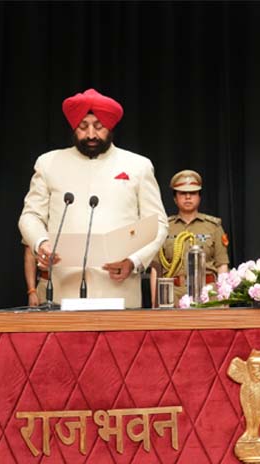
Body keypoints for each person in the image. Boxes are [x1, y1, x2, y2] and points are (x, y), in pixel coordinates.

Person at [18, 88, 168, 308]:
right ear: (74, 127)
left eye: (99, 127)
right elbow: (30, 216)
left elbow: (158, 224)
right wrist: (41, 243)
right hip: (61, 291)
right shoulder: (49, 163)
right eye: (83, 126)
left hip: (119, 291)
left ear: (110, 127)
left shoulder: (138, 165)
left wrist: (133, 261)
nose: (90, 135)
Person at [150, 169, 230, 305]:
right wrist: (154, 303)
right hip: (173, 295)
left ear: (199, 197)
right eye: (182, 193)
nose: (188, 197)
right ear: (175, 198)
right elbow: (155, 268)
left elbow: (222, 265)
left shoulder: (213, 226)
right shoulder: (164, 228)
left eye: (193, 193)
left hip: (208, 294)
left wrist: (225, 300)